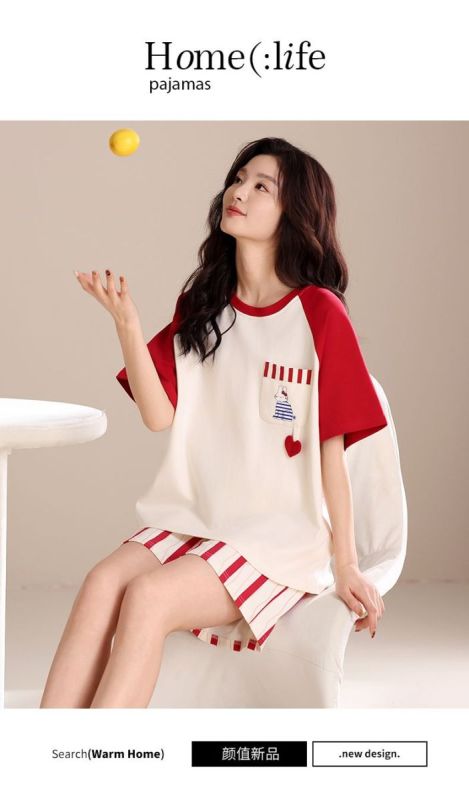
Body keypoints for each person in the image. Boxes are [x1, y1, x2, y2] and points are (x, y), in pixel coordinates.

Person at [40, 136, 387, 709]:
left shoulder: (319, 313)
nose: (239, 192)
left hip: (275, 540)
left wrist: (346, 564)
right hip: (195, 519)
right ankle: (44, 748)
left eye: (261, 186)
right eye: (239, 178)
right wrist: (128, 326)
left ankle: (97, 755)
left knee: (148, 597)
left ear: (294, 212)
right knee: (102, 582)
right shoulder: (205, 302)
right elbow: (158, 416)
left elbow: (332, 451)